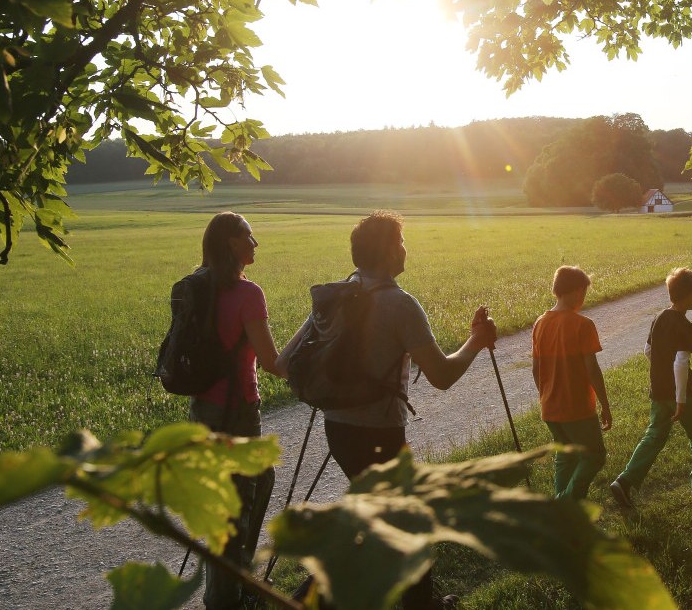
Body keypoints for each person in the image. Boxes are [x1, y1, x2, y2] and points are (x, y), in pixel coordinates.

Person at [304, 210, 496, 610]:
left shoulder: (337, 295)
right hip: (379, 434)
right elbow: (441, 375)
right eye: (401, 242)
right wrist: (476, 341)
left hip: (337, 429)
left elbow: (287, 362)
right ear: (390, 252)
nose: (405, 249)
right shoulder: (400, 304)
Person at [190, 211, 287, 610]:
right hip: (239, 412)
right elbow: (271, 362)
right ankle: (224, 599)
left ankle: (235, 581)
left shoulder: (195, 286)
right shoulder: (249, 294)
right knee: (235, 509)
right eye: (248, 235)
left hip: (202, 411)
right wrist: (310, 338)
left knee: (247, 488)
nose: (255, 242)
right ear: (232, 243)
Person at [609, 267, 692, 507]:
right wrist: (680, 399)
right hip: (681, 394)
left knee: (654, 436)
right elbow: (681, 363)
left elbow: (648, 350)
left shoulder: (659, 318)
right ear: (689, 295)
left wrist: (660, 369)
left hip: (658, 390)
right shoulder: (686, 326)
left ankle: (624, 481)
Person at [531, 265, 613, 501]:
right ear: (576, 291)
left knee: (565, 456)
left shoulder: (540, 323)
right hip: (577, 407)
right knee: (595, 456)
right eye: (584, 293)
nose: (583, 299)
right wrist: (604, 405)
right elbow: (592, 369)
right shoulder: (583, 325)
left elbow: (536, 369)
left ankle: (565, 518)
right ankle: (563, 505)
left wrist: (546, 396)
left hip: (550, 407)